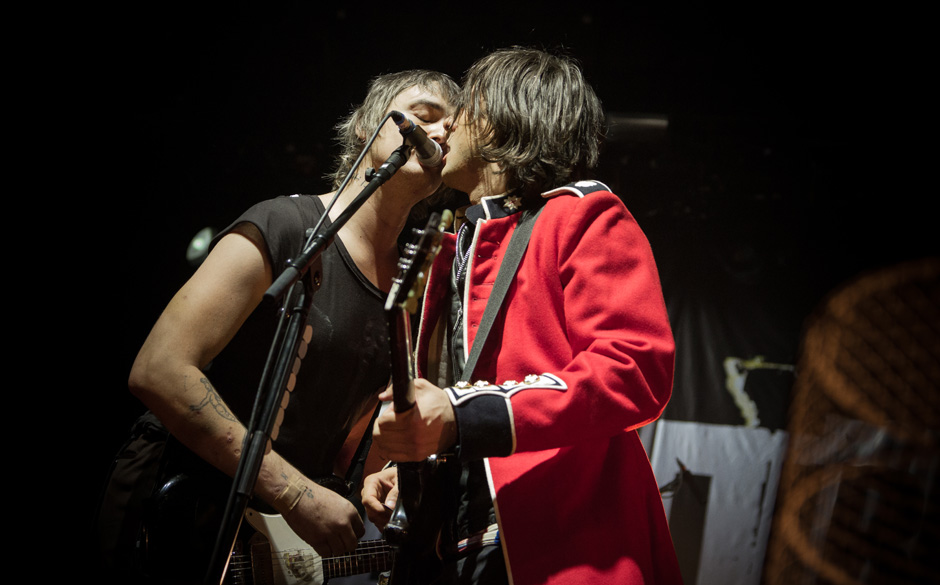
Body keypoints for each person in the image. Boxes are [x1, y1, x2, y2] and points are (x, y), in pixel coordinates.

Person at [95, 69, 459, 584]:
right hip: (174, 514)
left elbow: (354, 435)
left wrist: (385, 476)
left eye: (453, 128)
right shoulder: (285, 226)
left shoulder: (412, 289)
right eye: (425, 116)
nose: (441, 133)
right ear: (364, 127)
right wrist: (294, 492)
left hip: (271, 546)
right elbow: (159, 369)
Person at [361, 48, 683, 584]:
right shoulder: (450, 249)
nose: (451, 124)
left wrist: (461, 417)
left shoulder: (581, 213)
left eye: (464, 108)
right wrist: (411, 468)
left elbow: (635, 370)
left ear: (499, 116)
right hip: (451, 552)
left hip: (564, 549)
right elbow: (454, 395)